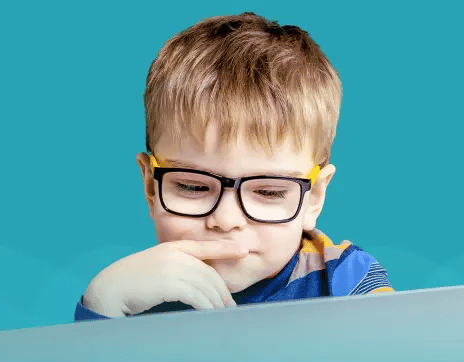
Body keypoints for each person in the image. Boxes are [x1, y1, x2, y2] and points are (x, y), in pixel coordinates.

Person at [75, 12, 392, 321]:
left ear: (315, 197)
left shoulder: (347, 280)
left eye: (268, 191)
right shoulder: (135, 299)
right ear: (150, 187)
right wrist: (103, 303)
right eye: (193, 186)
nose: (225, 221)